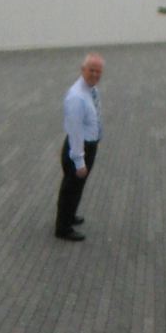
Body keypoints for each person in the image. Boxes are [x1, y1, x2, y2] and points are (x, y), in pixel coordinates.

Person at [55, 53, 103, 242]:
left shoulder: (91, 90)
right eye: (91, 70)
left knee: (76, 187)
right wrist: (79, 161)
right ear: (82, 70)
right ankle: (63, 228)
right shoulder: (77, 97)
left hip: (88, 145)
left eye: (98, 71)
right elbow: (74, 132)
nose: (95, 74)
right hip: (79, 148)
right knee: (71, 188)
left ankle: (70, 215)